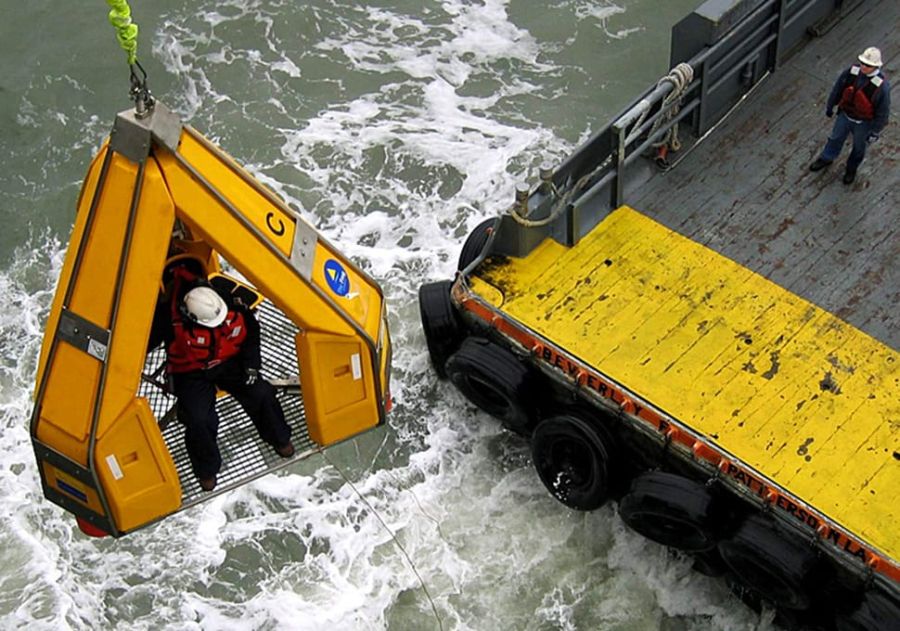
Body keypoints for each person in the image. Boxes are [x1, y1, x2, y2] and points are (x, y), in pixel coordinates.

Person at [156, 264, 294, 491]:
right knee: (199, 420)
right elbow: (141, 342)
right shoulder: (168, 321)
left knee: (263, 393)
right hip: (192, 373)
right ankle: (206, 470)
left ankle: (279, 437)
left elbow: (251, 333)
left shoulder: (232, 307)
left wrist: (251, 366)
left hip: (231, 363)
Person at [809, 46, 891, 185]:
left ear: (875, 66)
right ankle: (827, 157)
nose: (864, 67)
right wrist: (831, 105)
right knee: (835, 138)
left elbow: (883, 111)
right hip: (845, 115)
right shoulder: (852, 72)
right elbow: (838, 89)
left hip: (864, 123)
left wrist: (875, 131)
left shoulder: (882, 87)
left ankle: (851, 169)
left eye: (868, 65)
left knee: (859, 147)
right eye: (863, 63)